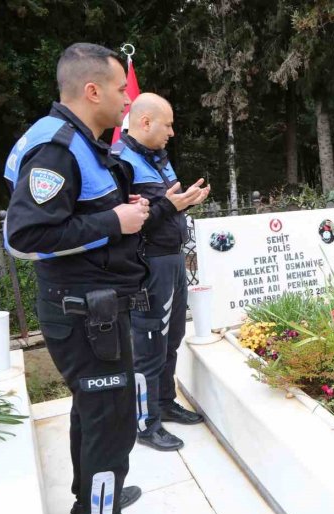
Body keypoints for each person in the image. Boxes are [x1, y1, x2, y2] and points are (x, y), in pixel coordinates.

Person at [3, 43, 169, 514]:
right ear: (92, 90)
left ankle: (87, 502)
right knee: (111, 418)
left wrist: (124, 211)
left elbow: (72, 213)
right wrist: (112, 222)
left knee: (94, 410)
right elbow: (24, 235)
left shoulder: (83, 143)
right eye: (122, 89)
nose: (128, 99)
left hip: (93, 305)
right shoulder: (56, 148)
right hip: (82, 311)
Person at [112, 93, 210, 452]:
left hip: (172, 258)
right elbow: (128, 221)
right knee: (149, 344)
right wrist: (171, 205)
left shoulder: (158, 159)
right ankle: (145, 421)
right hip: (148, 263)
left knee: (171, 336)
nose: (172, 131)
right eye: (167, 124)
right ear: (145, 122)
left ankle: (165, 402)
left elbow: (166, 205)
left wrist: (184, 201)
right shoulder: (122, 162)